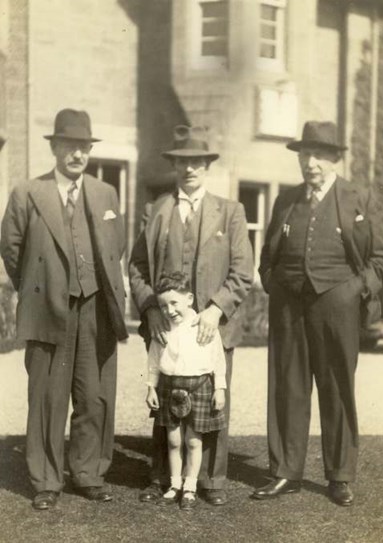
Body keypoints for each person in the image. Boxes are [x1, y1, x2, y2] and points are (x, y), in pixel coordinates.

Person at [251, 121, 383, 506]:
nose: (310, 162)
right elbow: (268, 254)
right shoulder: (286, 200)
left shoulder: (357, 197)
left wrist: (355, 291)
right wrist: (271, 281)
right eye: (304, 154)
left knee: (337, 389)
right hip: (288, 306)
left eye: (318, 155)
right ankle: (285, 471)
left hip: (337, 305)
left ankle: (340, 475)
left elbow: (381, 258)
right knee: (287, 387)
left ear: (334, 159)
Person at [0, 109, 128, 510]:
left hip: (95, 310)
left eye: (84, 147)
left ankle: (88, 473)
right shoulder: (27, 193)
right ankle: (46, 481)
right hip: (47, 309)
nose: (77, 154)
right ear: (54, 148)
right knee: (48, 399)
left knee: (93, 397)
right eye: (69, 146)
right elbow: (12, 249)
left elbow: (115, 247)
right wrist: (42, 286)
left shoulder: (106, 193)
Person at [129, 125, 253, 506]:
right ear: (174, 166)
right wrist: (150, 308)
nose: (189, 169)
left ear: (207, 166)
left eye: (197, 162)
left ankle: (211, 482)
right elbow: (136, 266)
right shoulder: (157, 210)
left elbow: (243, 270)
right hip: (166, 326)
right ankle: (161, 477)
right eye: (182, 163)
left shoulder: (230, 212)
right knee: (165, 405)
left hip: (210, 329)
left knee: (212, 404)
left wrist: (216, 309)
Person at [146, 271, 226, 511]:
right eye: (163, 305)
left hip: (200, 386)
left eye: (174, 303)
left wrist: (219, 388)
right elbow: (153, 360)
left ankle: (190, 487)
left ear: (189, 299)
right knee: (172, 440)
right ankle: (174, 485)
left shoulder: (203, 325)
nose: (169, 310)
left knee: (193, 442)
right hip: (170, 387)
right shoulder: (162, 328)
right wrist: (150, 387)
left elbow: (218, 359)